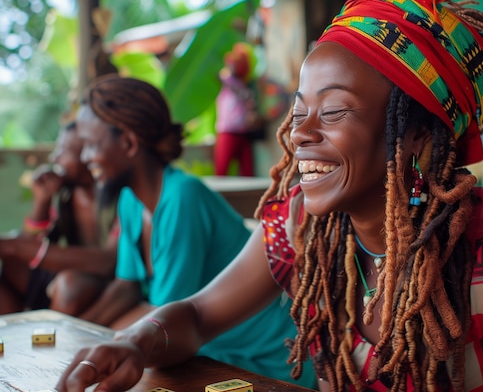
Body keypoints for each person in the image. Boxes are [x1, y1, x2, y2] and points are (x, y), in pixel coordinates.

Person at [56, 0, 483, 392]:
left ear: (417, 137)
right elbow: (198, 315)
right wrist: (133, 341)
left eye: (335, 112)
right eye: (299, 112)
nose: (300, 134)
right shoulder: (303, 222)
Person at [68, 74, 315, 387]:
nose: (85, 157)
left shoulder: (183, 197)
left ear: (129, 143)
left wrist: (104, 339)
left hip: (262, 360)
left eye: (90, 145)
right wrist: (78, 331)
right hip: (200, 346)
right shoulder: (131, 202)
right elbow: (125, 286)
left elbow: (163, 314)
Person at [0, 121, 119, 316]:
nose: (54, 158)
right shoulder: (66, 194)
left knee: (69, 283)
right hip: (70, 270)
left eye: (64, 152)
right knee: (11, 260)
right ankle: (12, 332)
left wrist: (13, 245)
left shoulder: (115, 196)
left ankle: (50, 337)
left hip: (104, 277)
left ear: (88, 155)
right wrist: (42, 201)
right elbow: (32, 241)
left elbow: (109, 262)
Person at [214, 42, 265, 176]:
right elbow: (224, 77)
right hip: (227, 132)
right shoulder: (226, 80)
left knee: (248, 173)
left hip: (244, 133)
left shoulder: (248, 84)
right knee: (221, 171)